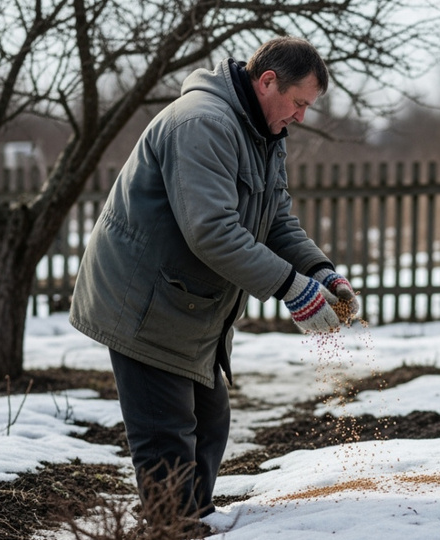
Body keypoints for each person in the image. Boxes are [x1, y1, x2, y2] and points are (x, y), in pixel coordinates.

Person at [68, 36, 360, 529]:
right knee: (168, 435)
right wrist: (293, 289)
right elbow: (212, 231)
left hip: (189, 305)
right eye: (299, 103)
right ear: (268, 81)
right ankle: (171, 527)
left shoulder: (264, 135)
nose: (302, 117)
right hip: (145, 304)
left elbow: (277, 223)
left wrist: (319, 272)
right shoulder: (204, 123)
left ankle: (192, 521)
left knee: (209, 424)